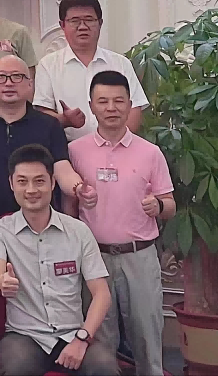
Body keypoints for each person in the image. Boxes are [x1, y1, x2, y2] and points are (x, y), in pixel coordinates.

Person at [69, 71, 174, 376]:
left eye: (119, 101)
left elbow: (170, 205)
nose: (111, 108)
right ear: (91, 105)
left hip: (139, 255)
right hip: (94, 258)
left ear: (130, 105)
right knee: (101, 341)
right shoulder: (76, 151)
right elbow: (68, 207)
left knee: (147, 337)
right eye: (103, 101)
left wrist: (158, 206)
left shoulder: (150, 153)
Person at [0, 144, 117, 376]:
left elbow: (101, 294)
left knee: (104, 366)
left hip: (73, 332)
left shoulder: (78, 231)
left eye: (39, 181)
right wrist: (1, 281)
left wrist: (82, 339)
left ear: (53, 182)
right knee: (16, 366)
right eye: (22, 181)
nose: (31, 190)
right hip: (25, 335)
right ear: (11, 184)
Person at [0, 55, 90, 220]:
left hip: (39, 222)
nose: (8, 83)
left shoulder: (49, 125)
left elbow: (62, 168)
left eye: (17, 76)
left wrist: (78, 188)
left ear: (30, 84)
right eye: (1, 77)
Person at [34, 0, 148, 142]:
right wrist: (65, 120)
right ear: (62, 25)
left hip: (116, 147)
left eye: (89, 20)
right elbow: (42, 111)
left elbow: (135, 108)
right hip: (68, 149)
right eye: (75, 21)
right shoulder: (48, 65)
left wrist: (116, 142)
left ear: (100, 23)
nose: (82, 27)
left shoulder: (120, 63)